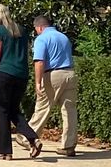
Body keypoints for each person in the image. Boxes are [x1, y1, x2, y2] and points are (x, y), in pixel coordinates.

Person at [0, 3, 41, 160]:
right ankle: (33, 138)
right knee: (13, 110)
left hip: (5, 73)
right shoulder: (22, 30)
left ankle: (4, 150)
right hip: (21, 74)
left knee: (3, 111)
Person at [30, 12, 79, 154]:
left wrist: (38, 82)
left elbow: (39, 61)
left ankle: (29, 137)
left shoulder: (41, 39)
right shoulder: (64, 37)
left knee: (43, 107)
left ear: (39, 27)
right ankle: (68, 145)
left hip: (53, 75)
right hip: (69, 73)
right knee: (69, 110)